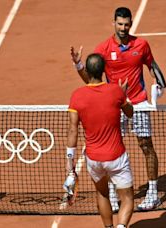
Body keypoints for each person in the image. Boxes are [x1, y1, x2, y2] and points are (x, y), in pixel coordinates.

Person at [70, 7, 165, 211]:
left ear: (130, 24)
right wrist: (79, 66)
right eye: (120, 24)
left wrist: (159, 84)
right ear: (113, 23)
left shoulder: (141, 45)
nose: (123, 28)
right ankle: (112, 194)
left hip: (138, 103)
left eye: (126, 24)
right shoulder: (103, 49)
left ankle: (153, 193)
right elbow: (92, 80)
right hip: (113, 103)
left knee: (146, 145)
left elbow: (152, 66)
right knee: (111, 148)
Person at [64, 53, 134, 228]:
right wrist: (123, 95)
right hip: (116, 157)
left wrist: (69, 160)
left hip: (94, 160)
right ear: (104, 70)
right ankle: (121, 226)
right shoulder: (115, 91)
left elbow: (73, 129)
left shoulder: (76, 96)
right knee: (127, 197)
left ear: (86, 70)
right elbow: (130, 113)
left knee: (102, 193)